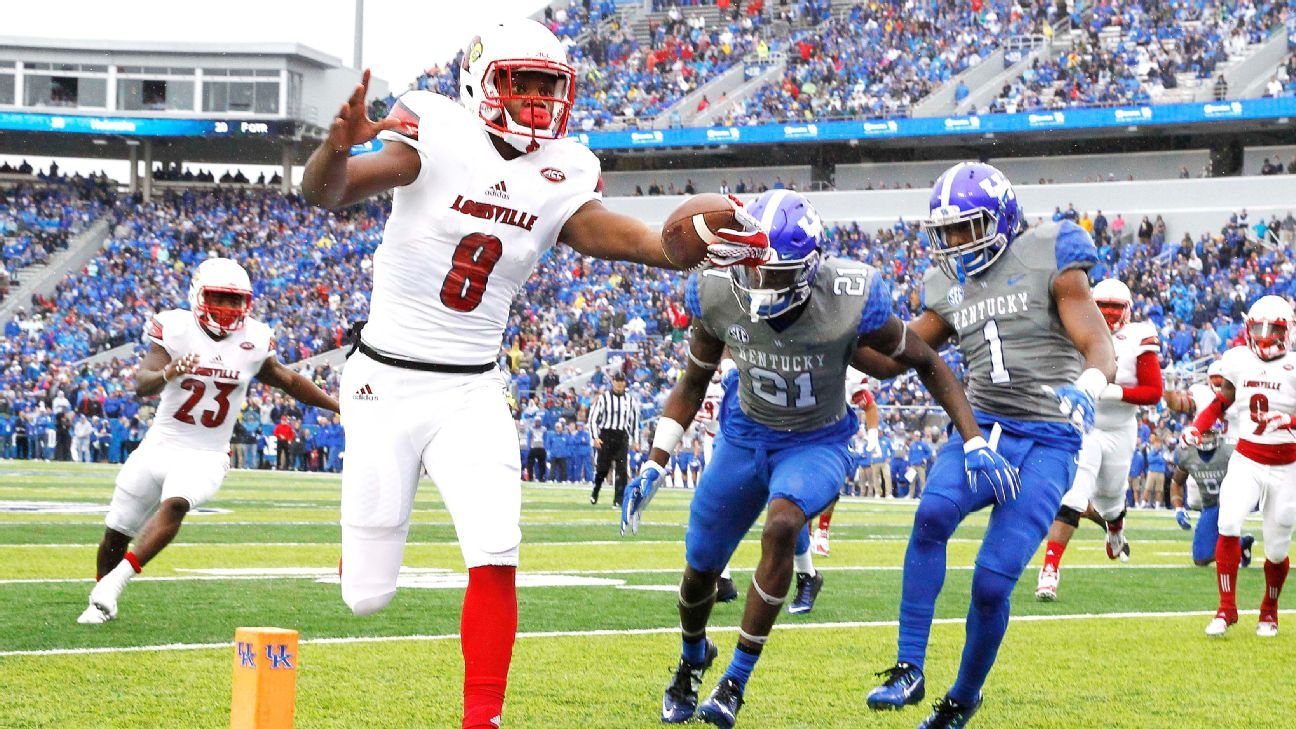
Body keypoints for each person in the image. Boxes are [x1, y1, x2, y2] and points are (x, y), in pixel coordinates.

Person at [298, 19, 769, 729]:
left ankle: (480, 719)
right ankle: (364, 530)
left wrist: (691, 247)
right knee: (366, 596)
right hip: (384, 383)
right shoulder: (434, 126)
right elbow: (327, 193)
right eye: (523, 81)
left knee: (496, 546)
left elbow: (625, 238)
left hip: (471, 387)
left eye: (550, 84)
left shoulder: (566, 168)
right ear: (484, 82)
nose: (538, 99)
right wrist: (334, 150)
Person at [639, 190, 1017, 727]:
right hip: (746, 435)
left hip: (816, 440)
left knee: (785, 523)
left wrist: (974, 437)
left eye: (776, 273)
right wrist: (656, 459)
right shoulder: (717, 287)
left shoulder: (849, 294)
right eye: (752, 269)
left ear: (810, 268)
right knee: (700, 568)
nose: (760, 283)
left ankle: (734, 684)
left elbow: (925, 359)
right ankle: (693, 658)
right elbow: (694, 380)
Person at [860, 162, 1115, 727]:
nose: (953, 241)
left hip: (1050, 439)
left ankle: (964, 697)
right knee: (931, 516)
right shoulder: (946, 286)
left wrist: (1090, 385)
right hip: (985, 432)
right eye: (945, 231)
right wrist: (837, 335)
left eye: (965, 227)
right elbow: (891, 358)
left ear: (1000, 218)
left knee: (993, 581)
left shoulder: (1049, 252)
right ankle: (908, 667)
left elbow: (1097, 338)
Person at [77, 258, 339, 625]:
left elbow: (290, 381)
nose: (229, 308)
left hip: (207, 452)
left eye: (236, 301)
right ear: (198, 295)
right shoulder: (175, 327)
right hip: (160, 445)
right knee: (115, 533)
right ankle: (99, 599)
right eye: (220, 297)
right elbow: (140, 384)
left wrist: (338, 407)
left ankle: (116, 583)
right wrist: (170, 371)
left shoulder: (254, 340)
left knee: (176, 504)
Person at [1036, 279, 1163, 601]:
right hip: (1085, 426)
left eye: (1115, 307)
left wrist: (1110, 390)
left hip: (1120, 430)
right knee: (1075, 496)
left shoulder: (1137, 337)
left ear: (1128, 310)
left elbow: (1153, 391)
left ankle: (1115, 530)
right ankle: (1049, 570)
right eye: (1102, 305)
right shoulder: (1076, 330)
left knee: (1110, 501)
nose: (1108, 313)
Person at [1187, 296, 1296, 638]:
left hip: (1286, 465)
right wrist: (1197, 426)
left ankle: (1269, 609)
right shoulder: (1237, 360)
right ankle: (1226, 608)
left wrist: (1289, 418)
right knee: (1229, 522)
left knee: (1277, 547)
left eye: (1273, 329)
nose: (1265, 337)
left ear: (1288, 330)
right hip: (1247, 458)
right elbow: (1223, 401)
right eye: (1259, 329)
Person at [814, 367, 881, 557]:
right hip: (804, 433)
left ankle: (822, 532)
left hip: (835, 437)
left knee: (832, 488)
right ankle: (806, 535)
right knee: (804, 488)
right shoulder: (803, 355)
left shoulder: (852, 372)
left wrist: (873, 435)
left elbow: (869, 405)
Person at [1169, 423, 1252, 567]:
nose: (1206, 438)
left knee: (1226, 549)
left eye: (1210, 433)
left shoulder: (1229, 450)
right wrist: (1179, 509)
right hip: (1209, 505)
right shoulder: (1187, 454)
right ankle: (1242, 544)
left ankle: (1234, 546)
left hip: (1230, 503)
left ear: (1218, 433)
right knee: (1200, 560)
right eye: (1203, 433)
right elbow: (1176, 482)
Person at [589, 372, 639, 505]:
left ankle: (618, 499)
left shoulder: (630, 400)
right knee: (603, 469)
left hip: (622, 436)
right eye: (617, 380)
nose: (619, 383)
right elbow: (593, 419)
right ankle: (595, 491)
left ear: (625, 382)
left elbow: (634, 422)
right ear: (612, 381)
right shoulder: (604, 398)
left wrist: (636, 440)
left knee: (622, 469)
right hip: (606, 435)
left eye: (622, 380)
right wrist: (595, 437)